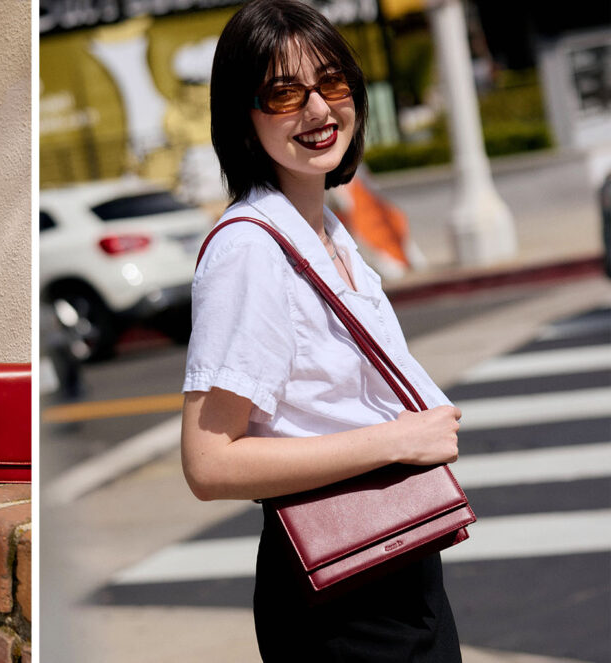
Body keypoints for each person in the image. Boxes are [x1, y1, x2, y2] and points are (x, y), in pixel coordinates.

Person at [181, 1, 463, 660]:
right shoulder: (250, 249)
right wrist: (395, 436)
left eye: (332, 83)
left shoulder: (327, 230)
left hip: (395, 551)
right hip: (337, 587)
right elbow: (209, 460)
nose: (317, 109)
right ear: (243, 116)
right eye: (284, 92)